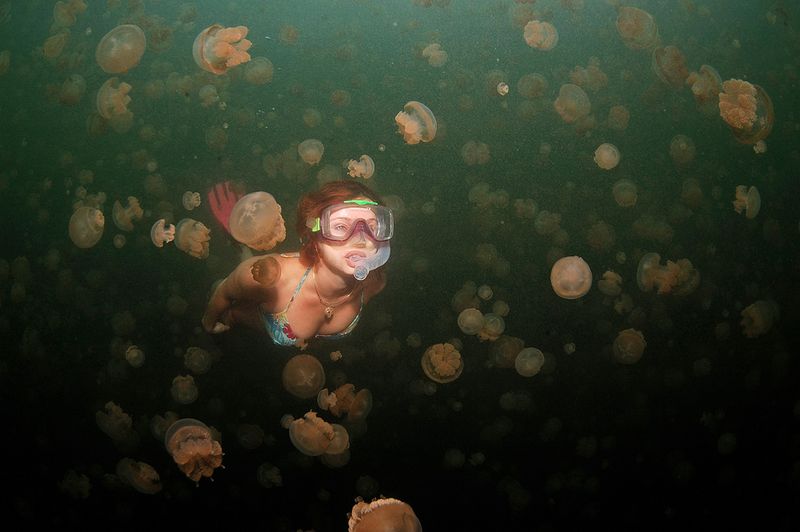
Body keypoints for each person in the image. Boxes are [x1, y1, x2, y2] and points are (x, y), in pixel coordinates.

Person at [202, 180, 392, 347]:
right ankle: (236, 244)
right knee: (233, 298)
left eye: (372, 227)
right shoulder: (278, 280)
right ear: (314, 233)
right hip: (255, 312)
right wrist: (208, 324)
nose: (360, 239)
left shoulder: (375, 283)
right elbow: (225, 292)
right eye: (341, 226)